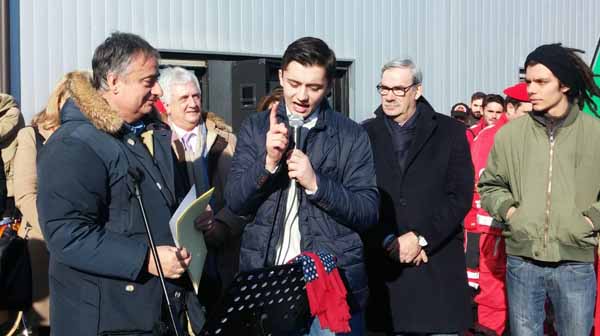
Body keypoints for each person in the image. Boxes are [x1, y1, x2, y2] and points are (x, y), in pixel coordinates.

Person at [37, 32, 203, 335]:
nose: (157, 91)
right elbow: (66, 234)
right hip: (104, 320)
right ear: (114, 82)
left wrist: (189, 225)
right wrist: (146, 260)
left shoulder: (142, 136)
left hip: (151, 313)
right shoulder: (75, 144)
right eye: (148, 81)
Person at [225, 36, 379, 335]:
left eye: (314, 87)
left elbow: (368, 211)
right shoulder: (256, 129)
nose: (302, 96)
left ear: (329, 85)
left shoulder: (351, 135)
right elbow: (235, 202)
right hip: (268, 281)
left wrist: (316, 183)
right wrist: (267, 164)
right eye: (294, 84)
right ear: (281, 75)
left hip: (330, 283)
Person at [479, 43, 600, 336]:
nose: (531, 89)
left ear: (565, 84)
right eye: (528, 81)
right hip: (523, 262)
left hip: (576, 262)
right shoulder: (511, 134)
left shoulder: (595, 133)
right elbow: (490, 185)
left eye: (541, 82)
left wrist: (589, 220)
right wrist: (512, 213)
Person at [362, 58, 473, 335]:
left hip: (436, 263)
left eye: (398, 89)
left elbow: (459, 195)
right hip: (386, 270)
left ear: (417, 90)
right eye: (384, 88)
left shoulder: (451, 132)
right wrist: (388, 240)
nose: (389, 96)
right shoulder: (365, 133)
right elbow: (361, 196)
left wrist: (420, 237)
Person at [158, 66, 245, 311]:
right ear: (166, 104)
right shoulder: (156, 143)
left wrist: (220, 226)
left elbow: (242, 198)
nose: (193, 103)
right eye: (183, 98)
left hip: (224, 253)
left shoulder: (228, 140)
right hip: (180, 258)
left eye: (196, 96)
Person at [465, 82, 531, 335]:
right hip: (492, 233)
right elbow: (480, 188)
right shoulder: (491, 138)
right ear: (511, 109)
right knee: (493, 297)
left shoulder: (529, 136)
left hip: (522, 232)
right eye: (528, 112)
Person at [13, 72, 76, 335]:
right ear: (59, 101)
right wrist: (56, 230)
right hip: (43, 245)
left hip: (82, 245)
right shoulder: (32, 136)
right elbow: (25, 194)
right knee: (46, 326)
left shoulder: (91, 138)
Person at [0, 93, 24, 219]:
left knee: (10, 211)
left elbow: (2, 131)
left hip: (10, 167)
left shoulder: (13, 113)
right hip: (4, 170)